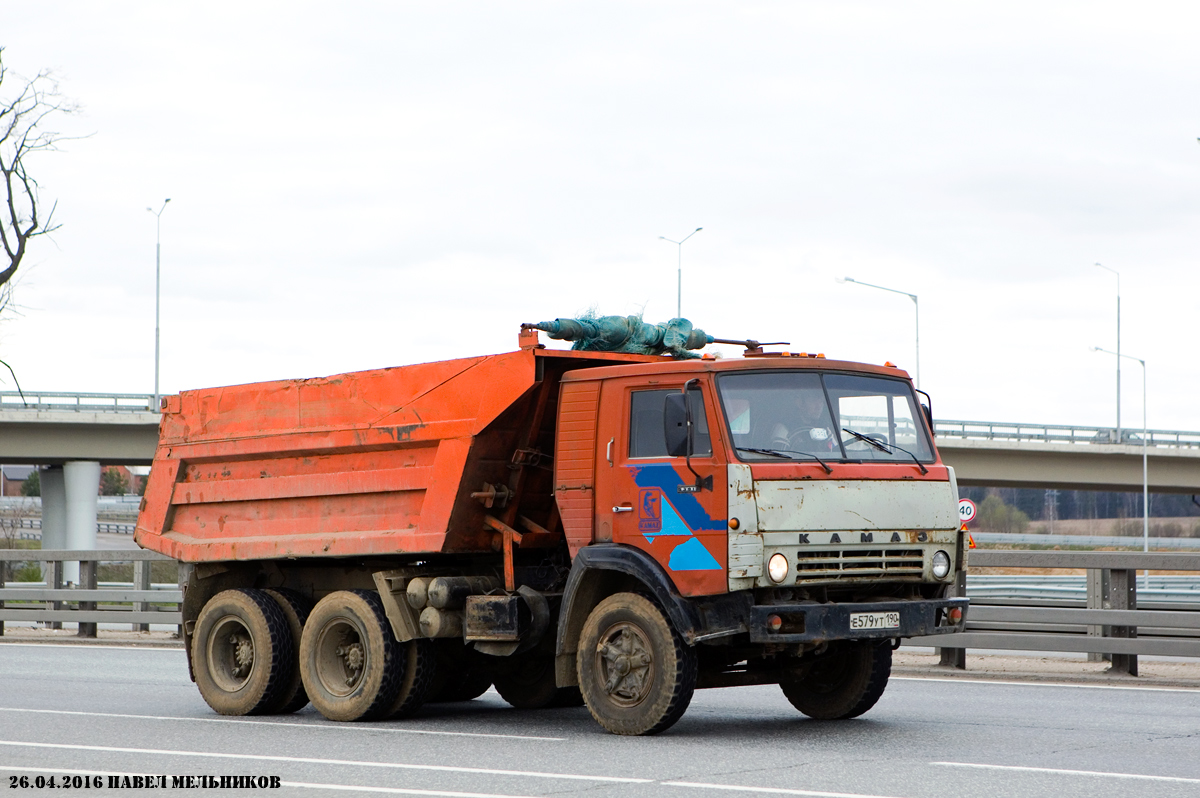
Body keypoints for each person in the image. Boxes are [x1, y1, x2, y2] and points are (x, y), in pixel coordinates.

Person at [769, 389, 835, 453]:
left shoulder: (824, 428)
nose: (819, 407)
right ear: (799, 403)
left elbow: (835, 451)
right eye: (813, 401)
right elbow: (779, 459)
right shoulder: (783, 428)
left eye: (821, 402)